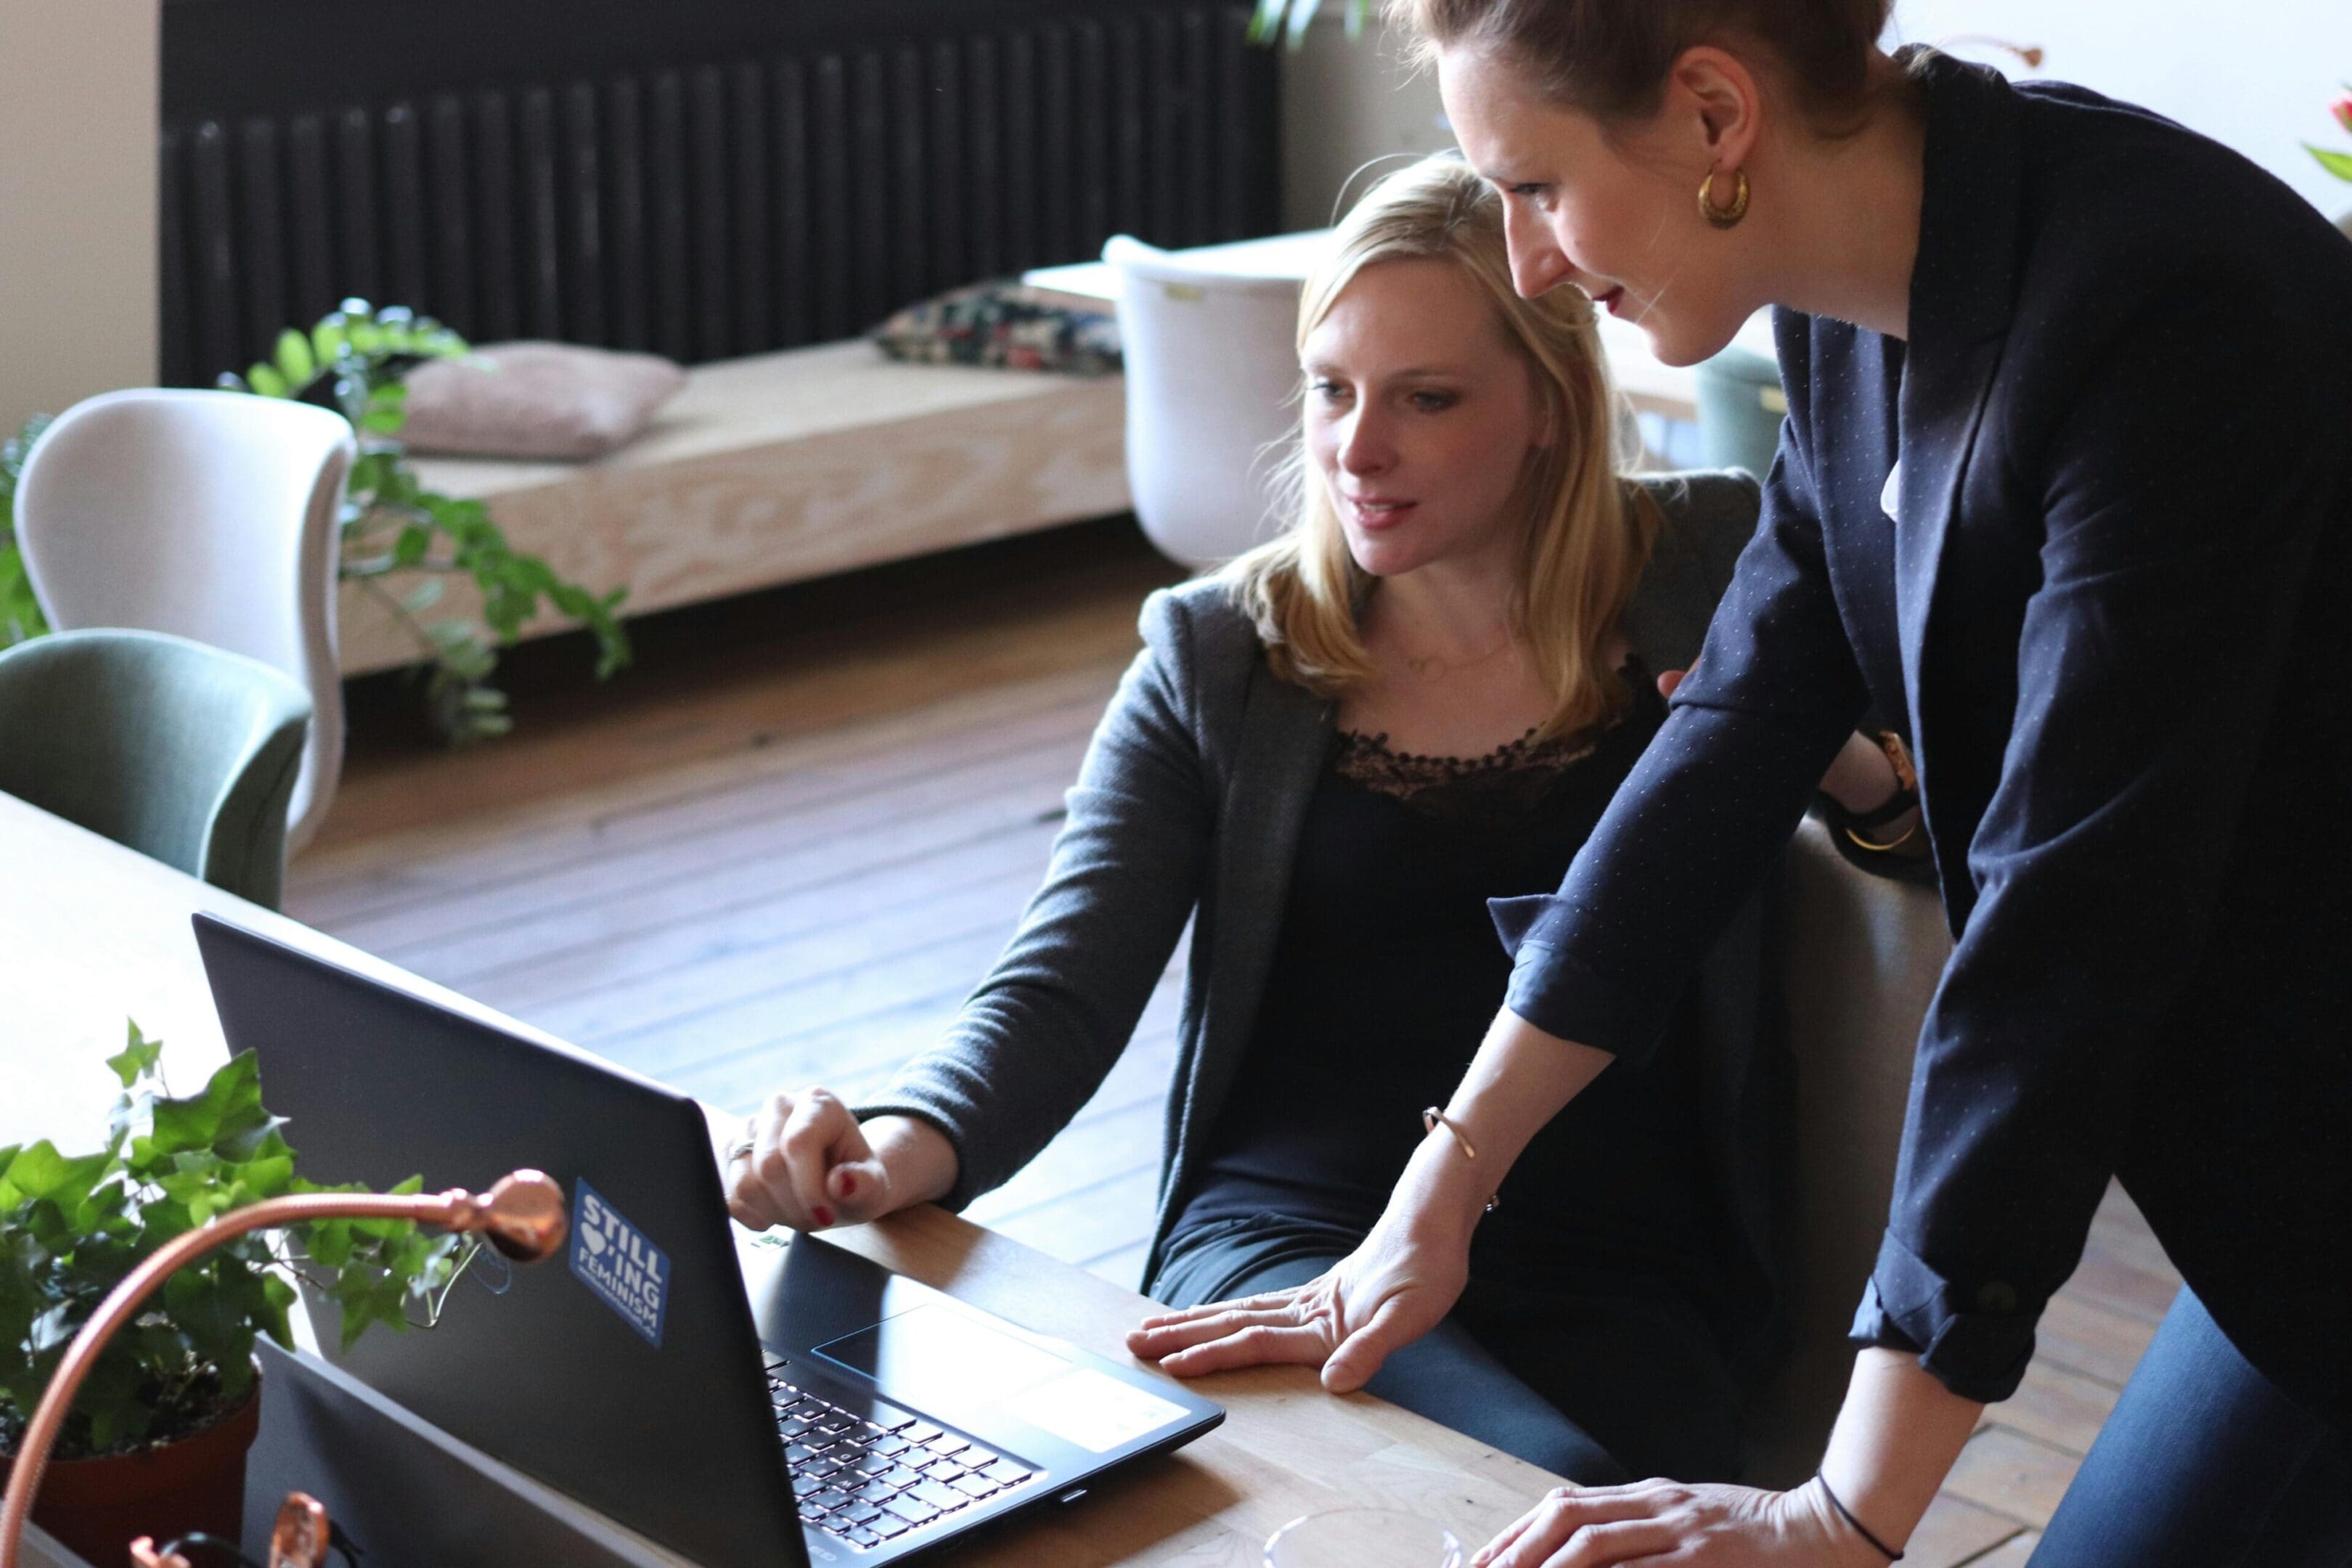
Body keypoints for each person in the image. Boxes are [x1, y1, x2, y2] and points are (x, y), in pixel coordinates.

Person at [1129, 4, 2352, 1566]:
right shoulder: (1860, 309)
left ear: (1715, 115)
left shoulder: (2166, 303)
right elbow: (1732, 734)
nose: (1528, 265)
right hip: (2280, 1184)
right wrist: (1442, 1189)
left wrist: (1842, 1516)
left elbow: (2069, 930)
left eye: (1539, 187)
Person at [722, 153, 1914, 1485]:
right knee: (1523, 1488)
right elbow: (1059, 987)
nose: (1357, 449)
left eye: (1427, 398)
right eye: (1332, 390)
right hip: (1293, 1237)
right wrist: (888, 1152)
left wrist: (1844, 769)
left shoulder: (1714, 564)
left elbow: (1933, 844)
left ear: (1551, 407)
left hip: (1628, 1260)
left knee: (1569, 1492)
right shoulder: (1223, 653)